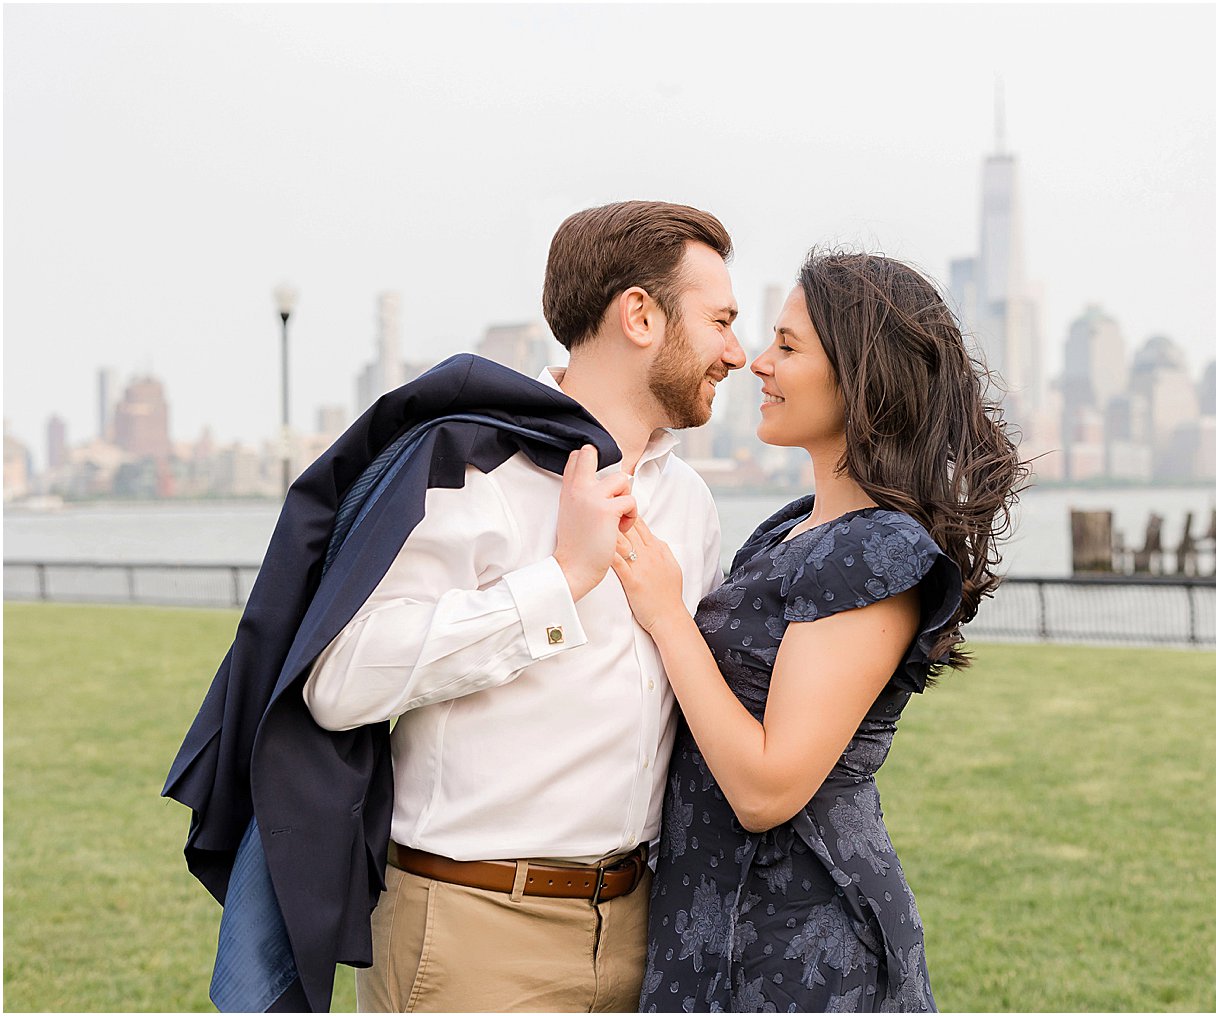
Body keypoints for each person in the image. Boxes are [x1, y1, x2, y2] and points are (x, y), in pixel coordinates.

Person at [300, 200, 746, 1012]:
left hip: (643, 928)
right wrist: (560, 580)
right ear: (639, 316)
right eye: (720, 321)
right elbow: (340, 680)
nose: (738, 353)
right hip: (474, 935)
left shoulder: (690, 503)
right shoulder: (471, 471)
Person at [609, 251, 1027, 1012]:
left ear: (861, 376)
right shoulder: (788, 530)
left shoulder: (879, 553)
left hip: (801, 946)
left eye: (789, 347)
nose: (758, 364)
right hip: (708, 920)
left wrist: (668, 614)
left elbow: (767, 789)